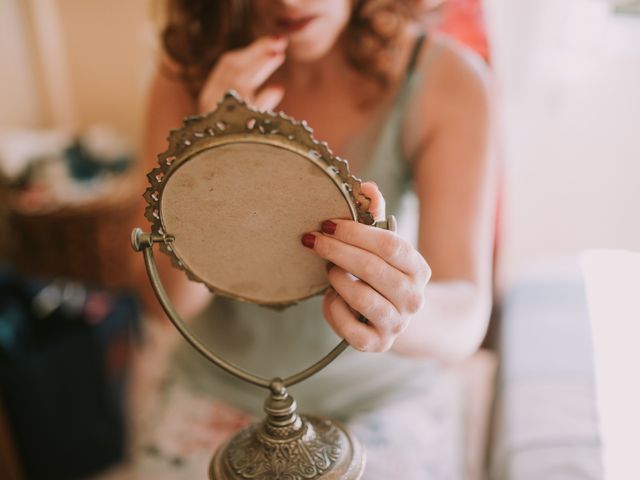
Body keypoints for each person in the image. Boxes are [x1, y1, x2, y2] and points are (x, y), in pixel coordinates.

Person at [135, 0, 495, 478]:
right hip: (219, 385)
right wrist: (207, 156)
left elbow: (466, 314)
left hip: (380, 399)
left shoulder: (444, 79)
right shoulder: (188, 70)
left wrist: (398, 309)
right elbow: (160, 305)